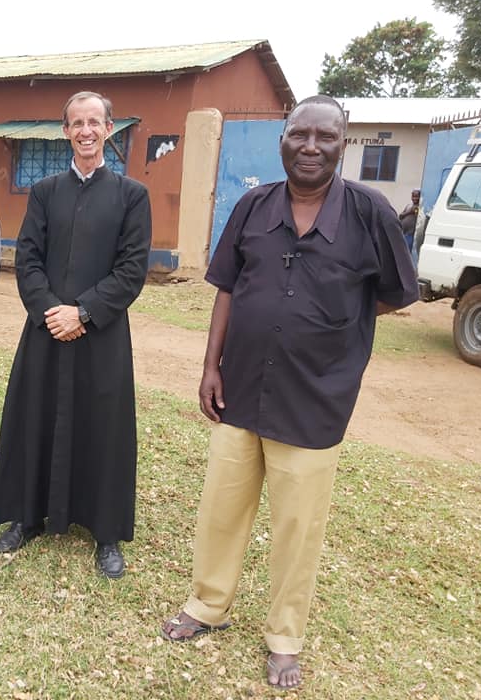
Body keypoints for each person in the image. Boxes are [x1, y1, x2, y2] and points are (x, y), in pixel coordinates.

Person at [159, 96, 418, 689]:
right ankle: (208, 605)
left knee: (298, 528)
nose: (310, 146)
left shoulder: (369, 212)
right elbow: (226, 287)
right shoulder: (253, 206)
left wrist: (333, 336)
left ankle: (284, 637)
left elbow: (391, 294)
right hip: (241, 386)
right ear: (284, 138)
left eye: (325, 136)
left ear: (343, 143)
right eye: (299, 133)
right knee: (221, 508)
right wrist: (210, 366)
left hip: (315, 397)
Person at [0, 91, 152, 579]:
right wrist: (50, 311)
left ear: (108, 129)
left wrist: (83, 312)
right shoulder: (45, 192)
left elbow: (132, 270)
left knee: (103, 427)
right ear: (66, 131)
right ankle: (26, 515)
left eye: (93, 122)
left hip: (100, 335)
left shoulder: (131, 196)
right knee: (35, 417)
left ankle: (105, 533)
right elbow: (28, 259)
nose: (85, 131)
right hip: (45, 331)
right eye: (76, 123)